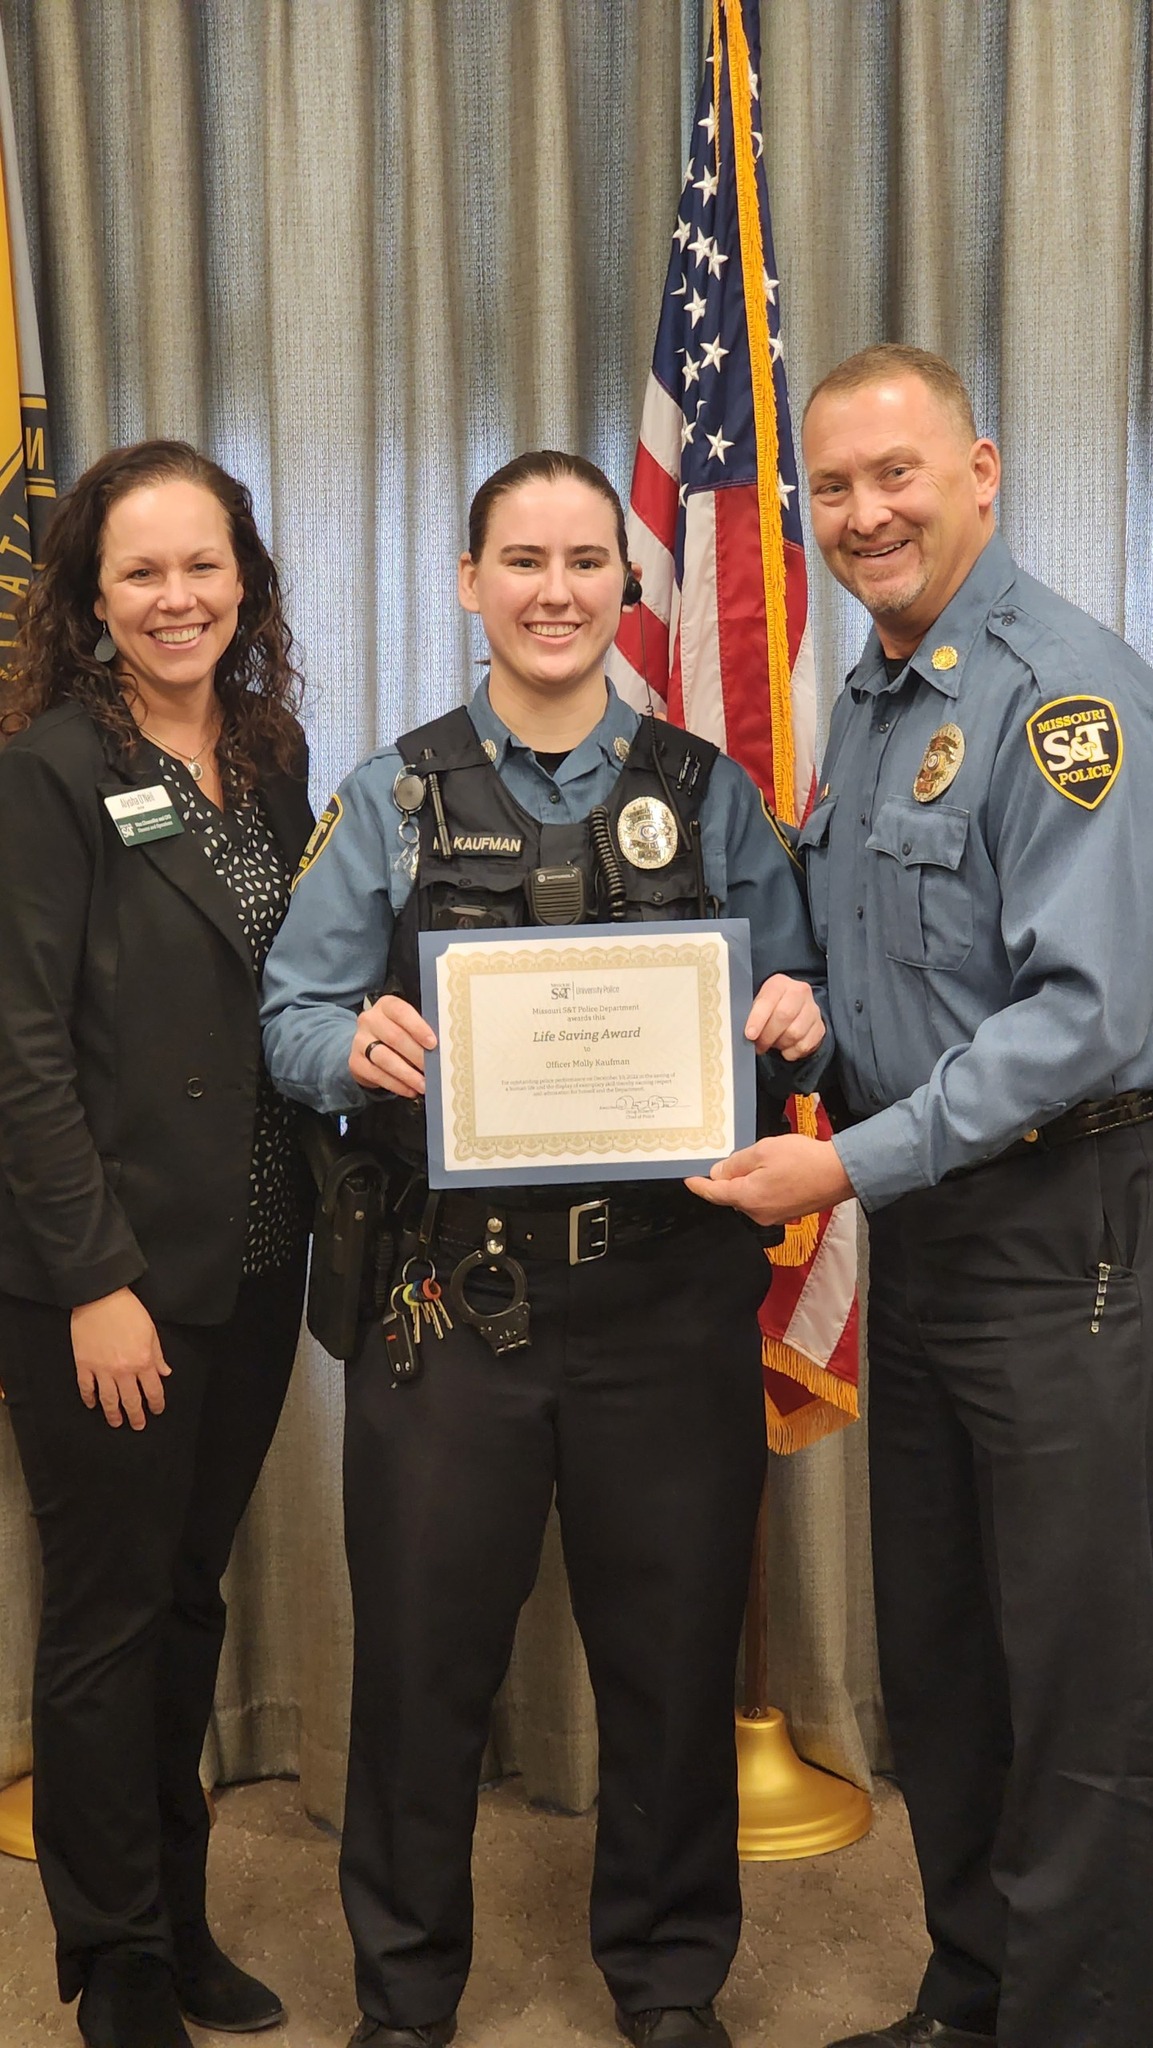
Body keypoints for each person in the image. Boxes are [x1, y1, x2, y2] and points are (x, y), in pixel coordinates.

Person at [261, 449, 830, 2048]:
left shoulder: (712, 795)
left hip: (666, 1300)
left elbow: (799, 1008)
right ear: (469, 583)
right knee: (425, 1672)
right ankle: (405, 1996)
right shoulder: (390, 794)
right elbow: (289, 1014)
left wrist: (798, 1015)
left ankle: (664, 1985)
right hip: (453, 1305)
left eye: (587, 561)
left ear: (625, 590)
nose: (557, 590)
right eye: (522, 560)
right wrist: (347, 1044)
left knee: (664, 1670)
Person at [690, 345, 1153, 2048]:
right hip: (932, 1238)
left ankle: (1077, 2019)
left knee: (1077, 1681)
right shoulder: (875, 699)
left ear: (982, 470)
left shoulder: (1064, 703)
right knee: (946, 1662)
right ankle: (971, 1994)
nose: (864, 514)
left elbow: (1084, 1014)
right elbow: (871, 958)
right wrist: (803, 1011)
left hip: (1059, 1237)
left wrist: (846, 1161)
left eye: (898, 475)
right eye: (834, 488)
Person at [0, 441, 313, 2048]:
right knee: (108, 1614)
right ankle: (110, 1958)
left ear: (244, 576)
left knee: (190, 1599)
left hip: (258, 1264)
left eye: (204, 566)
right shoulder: (50, 768)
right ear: (92, 597)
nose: (178, 598)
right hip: (109, 1282)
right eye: (142, 573)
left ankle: (178, 1917)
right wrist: (94, 1280)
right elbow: (21, 1050)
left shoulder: (270, 756)